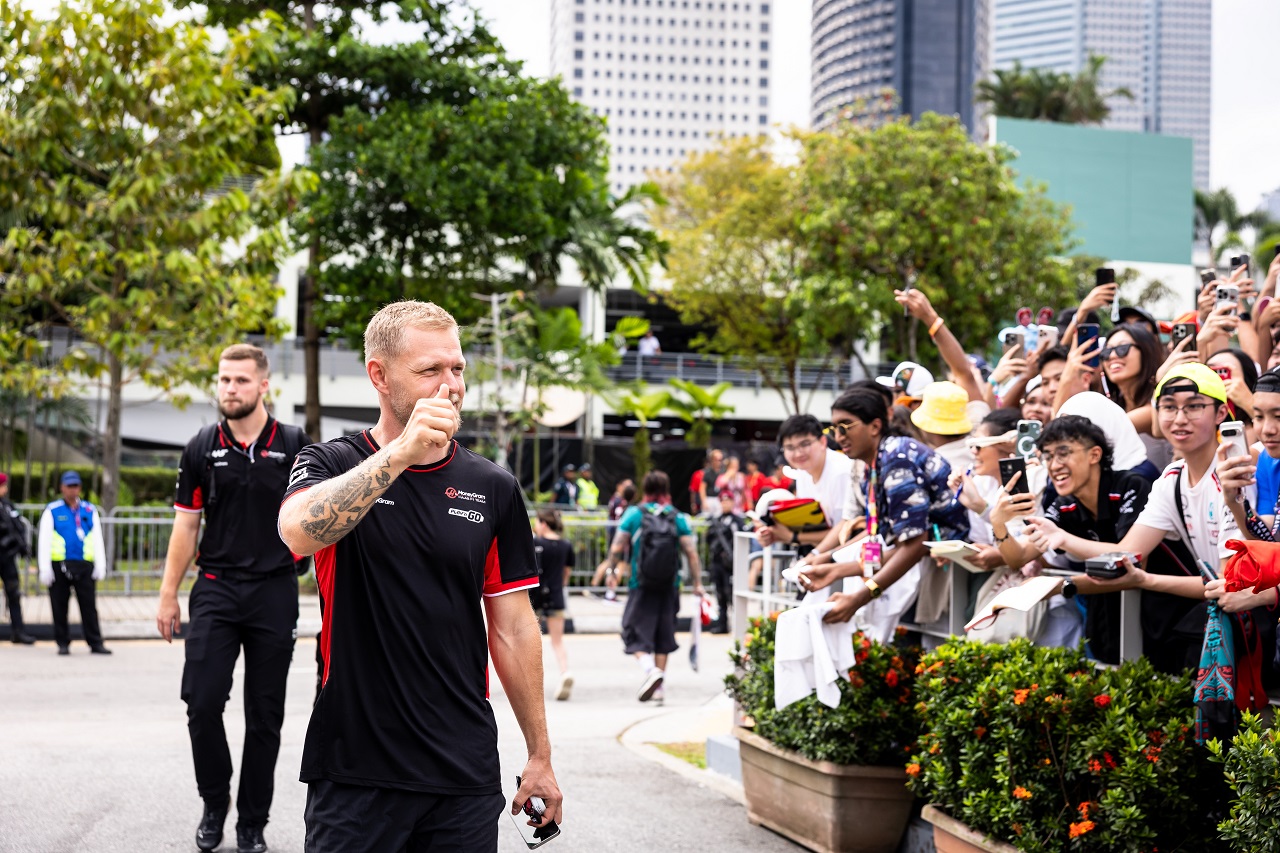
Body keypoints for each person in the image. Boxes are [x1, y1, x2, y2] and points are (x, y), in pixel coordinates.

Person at [277, 301, 562, 851]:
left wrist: (540, 754)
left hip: (462, 772)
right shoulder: (331, 462)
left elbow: (513, 629)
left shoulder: (494, 487)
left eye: (456, 368)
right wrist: (401, 454)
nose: (451, 384)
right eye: (430, 370)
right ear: (379, 376)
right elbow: (297, 532)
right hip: (355, 767)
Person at [155, 343, 312, 853]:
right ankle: (213, 800)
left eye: (241, 381)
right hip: (216, 591)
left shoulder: (293, 444)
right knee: (201, 703)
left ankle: (252, 824)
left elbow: (317, 522)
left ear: (264, 385)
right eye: (224, 380)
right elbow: (186, 524)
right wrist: (167, 594)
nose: (230, 389)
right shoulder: (202, 445)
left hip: (274, 591)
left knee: (265, 716)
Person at [794, 387, 969, 633]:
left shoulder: (897, 458)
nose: (839, 436)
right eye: (834, 428)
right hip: (932, 567)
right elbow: (889, 543)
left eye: (845, 426)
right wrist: (833, 567)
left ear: (875, 426)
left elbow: (915, 545)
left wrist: (862, 596)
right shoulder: (873, 465)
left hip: (955, 571)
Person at [991, 416, 1154, 664]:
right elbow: (1019, 557)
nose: (1054, 465)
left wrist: (1063, 539)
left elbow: (1130, 557)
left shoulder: (1132, 486)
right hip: (1103, 618)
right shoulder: (1064, 505)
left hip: (1154, 614)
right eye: (1048, 456)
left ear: (1095, 454)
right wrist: (998, 524)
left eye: (1063, 453)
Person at [600, 470, 705, 704]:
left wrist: (611, 573)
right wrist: (697, 583)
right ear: (666, 490)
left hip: (641, 583)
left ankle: (650, 671)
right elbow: (691, 553)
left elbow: (617, 547)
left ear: (644, 489)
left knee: (631, 630)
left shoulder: (634, 514)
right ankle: (659, 688)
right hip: (670, 585)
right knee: (663, 636)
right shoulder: (677, 517)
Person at [37, 471, 108, 656]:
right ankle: (62, 642)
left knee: (89, 607)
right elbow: (43, 540)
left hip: (84, 564)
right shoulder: (52, 510)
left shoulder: (89, 510)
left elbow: (98, 538)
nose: (72, 490)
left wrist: (101, 564)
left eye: (75, 486)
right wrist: (44, 568)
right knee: (59, 606)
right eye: (69, 486)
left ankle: (95, 642)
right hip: (59, 565)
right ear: (62, 487)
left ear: (80, 488)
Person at [755, 415, 851, 550]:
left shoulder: (842, 472)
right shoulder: (803, 473)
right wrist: (774, 534)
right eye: (790, 447)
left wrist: (793, 537)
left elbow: (845, 531)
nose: (798, 453)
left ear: (823, 442)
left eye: (805, 444)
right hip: (820, 557)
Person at [532, 509, 575, 701]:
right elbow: (566, 573)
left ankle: (532, 682)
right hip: (557, 596)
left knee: (532, 641)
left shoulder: (535, 543)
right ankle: (565, 672)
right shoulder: (566, 545)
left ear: (543, 523)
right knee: (557, 641)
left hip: (535, 597)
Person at [705, 490, 751, 634]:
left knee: (731, 594)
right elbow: (709, 540)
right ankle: (723, 624)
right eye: (722, 501)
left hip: (731, 564)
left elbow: (742, 541)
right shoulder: (716, 521)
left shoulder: (737, 521)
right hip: (718, 563)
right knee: (720, 594)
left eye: (728, 501)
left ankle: (739, 625)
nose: (725, 504)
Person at [0, 472, 35, 644]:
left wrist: (21, 546)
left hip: (7, 558)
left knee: (13, 594)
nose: (4, 489)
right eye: (2, 486)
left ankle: (18, 631)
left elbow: (17, 527)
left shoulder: (7, 505)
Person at [592, 480, 635, 601]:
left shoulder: (618, 500)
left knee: (612, 561)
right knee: (618, 563)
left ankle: (598, 586)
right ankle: (610, 591)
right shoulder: (620, 502)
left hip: (616, 535)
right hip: (618, 537)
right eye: (626, 486)